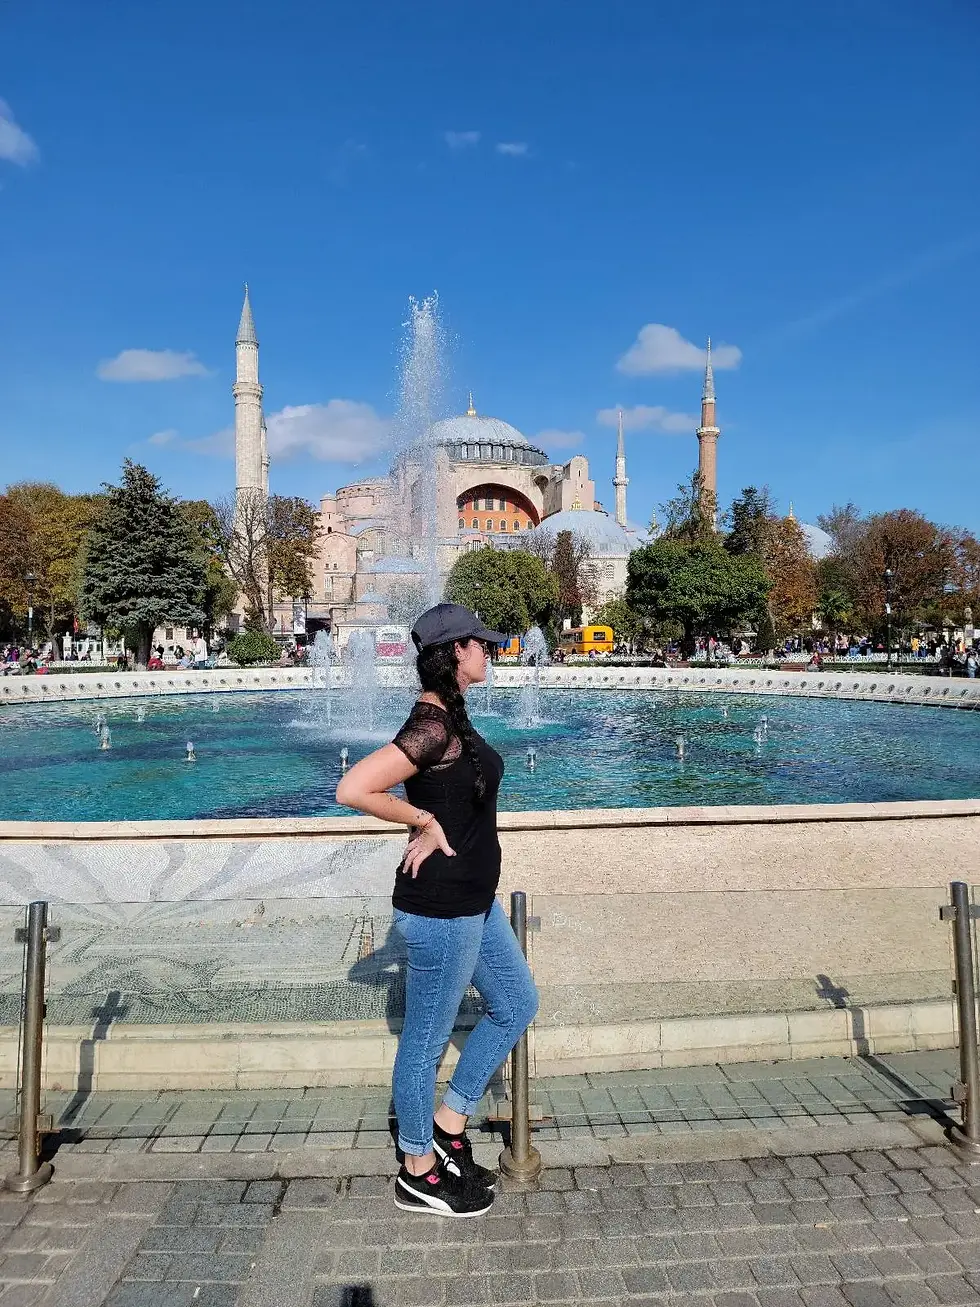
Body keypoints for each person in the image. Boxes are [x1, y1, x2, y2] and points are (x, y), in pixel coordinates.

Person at [336, 604, 538, 1219]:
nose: (490, 653)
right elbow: (354, 788)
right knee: (424, 1044)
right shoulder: (430, 725)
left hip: (474, 903)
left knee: (516, 1004)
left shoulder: (453, 717)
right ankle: (418, 1169)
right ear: (456, 652)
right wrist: (422, 818)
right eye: (482, 644)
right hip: (442, 910)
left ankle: (450, 1124)